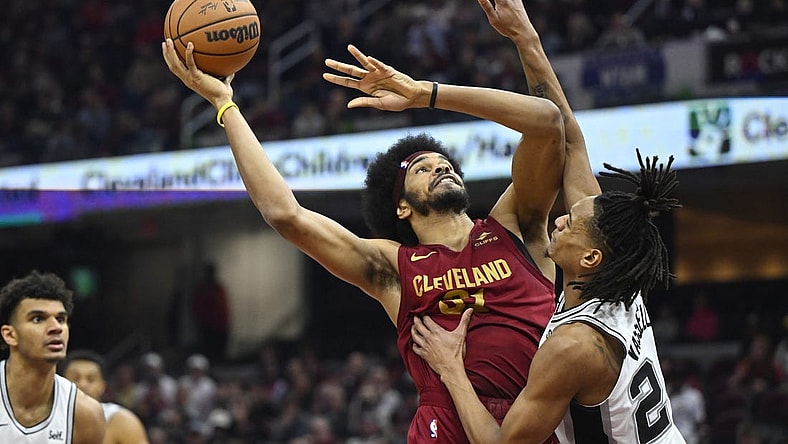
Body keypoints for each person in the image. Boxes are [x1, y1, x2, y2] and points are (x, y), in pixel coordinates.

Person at [162, 28, 566, 442]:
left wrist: (425, 94)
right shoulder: (392, 266)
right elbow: (286, 215)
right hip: (448, 424)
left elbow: (548, 124)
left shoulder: (515, 225)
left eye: (445, 163)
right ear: (401, 207)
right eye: (423, 168)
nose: (441, 167)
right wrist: (224, 105)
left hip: (542, 414)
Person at [409, 1, 686, 442]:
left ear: (591, 257)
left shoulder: (574, 346)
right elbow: (571, 140)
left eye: (570, 223)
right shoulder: (613, 276)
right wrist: (524, 36)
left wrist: (451, 371)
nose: (559, 220)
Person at [0, 270, 105, 443]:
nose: (56, 327)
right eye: (38, 319)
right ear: (10, 335)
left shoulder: (85, 413)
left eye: (61, 319)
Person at [61, 349, 151, 444]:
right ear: (61, 382)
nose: (83, 384)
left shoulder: (121, 420)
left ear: (102, 386)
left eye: (91, 379)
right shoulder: (46, 416)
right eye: (76, 378)